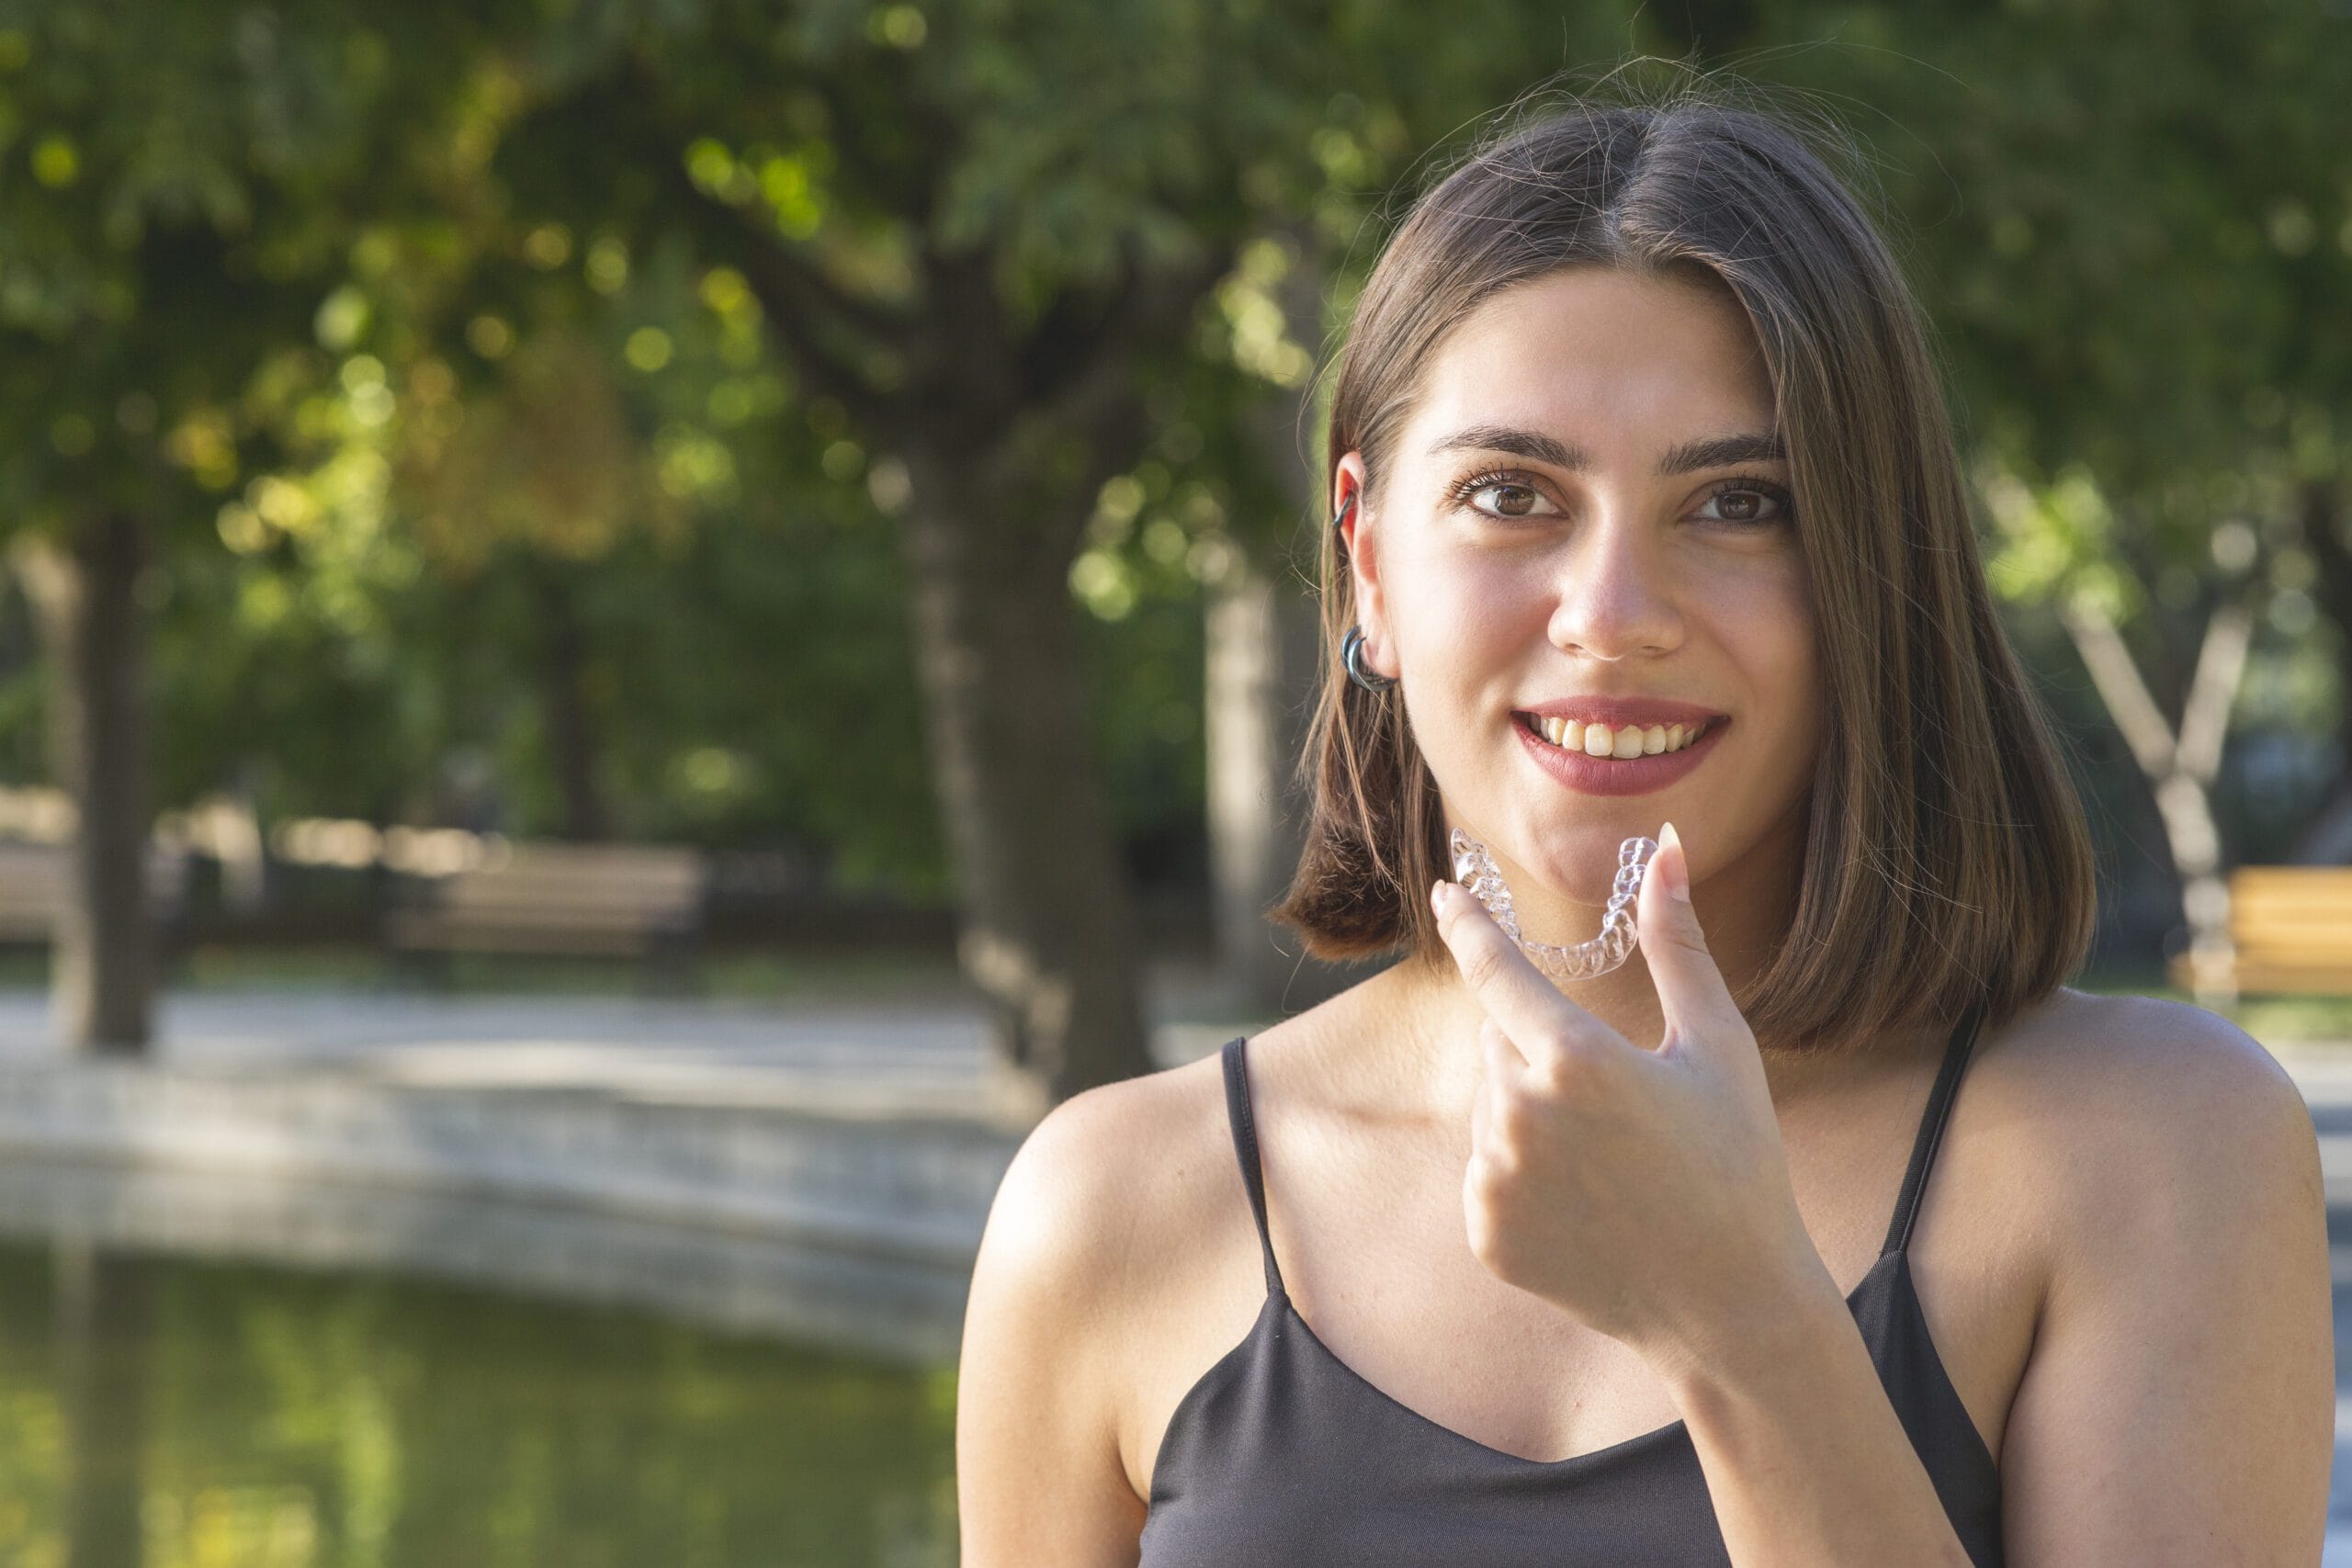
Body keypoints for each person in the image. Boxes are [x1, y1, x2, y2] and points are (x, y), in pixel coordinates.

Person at [955, 79, 2334, 1566]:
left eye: (1740, 505)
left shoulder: (2149, 1146)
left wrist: (1741, 1315)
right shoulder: (1111, 1210)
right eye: (1509, 494)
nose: (1612, 620)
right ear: (1367, 562)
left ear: (1873, 570)